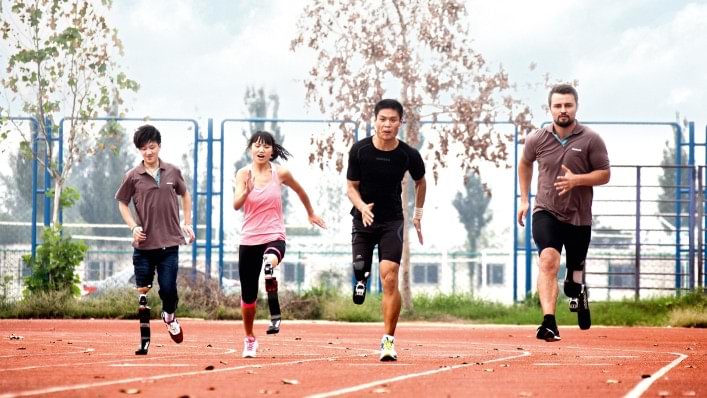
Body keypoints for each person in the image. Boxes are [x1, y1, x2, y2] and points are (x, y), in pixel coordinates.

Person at [517, 84, 610, 341]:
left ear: (576, 107)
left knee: (573, 277)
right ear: (550, 109)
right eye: (558, 105)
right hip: (546, 211)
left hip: (579, 217)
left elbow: (604, 174)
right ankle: (549, 322)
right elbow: (525, 163)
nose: (563, 110)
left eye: (568, 105)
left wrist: (577, 180)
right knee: (548, 261)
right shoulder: (537, 138)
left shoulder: (591, 139)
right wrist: (524, 199)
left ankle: (577, 291)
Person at [233, 131, 326, 358]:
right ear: (250, 150)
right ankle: (250, 338)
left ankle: (269, 268)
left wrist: (311, 213)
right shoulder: (243, 174)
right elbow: (236, 205)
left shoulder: (280, 173)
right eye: (257, 146)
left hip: (274, 235)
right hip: (249, 239)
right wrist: (245, 193)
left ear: (272, 151)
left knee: (270, 259)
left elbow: (300, 191)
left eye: (266, 146)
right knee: (248, 297)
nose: (261, 150)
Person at [346, 98, 426, 361]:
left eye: (393, 120)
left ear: (400, 122)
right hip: (363, 220)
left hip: (392, 221)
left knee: (389, 276)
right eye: (383, 119)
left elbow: (421, 182)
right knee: (360, 268)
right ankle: (360, 279)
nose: (388, 124)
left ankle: (388, 341)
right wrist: (361, 206)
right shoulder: (359, 150)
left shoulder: (408, 154)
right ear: (375, 120)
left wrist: (417, 214)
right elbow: (351, 187)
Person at [116, 124, 195, 353]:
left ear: (159, 146)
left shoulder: (172, 171)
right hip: (143, 245)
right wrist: (133, 227)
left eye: (151, 147)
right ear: (139, 151)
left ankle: (169, 317)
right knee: (143, 290)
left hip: (170, 243)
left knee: (168, 289)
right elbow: (122, 203)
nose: (148, 152)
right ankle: (144, 341)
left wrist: (187, 223)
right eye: (143, 148)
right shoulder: (133, 176)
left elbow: (185, 194)